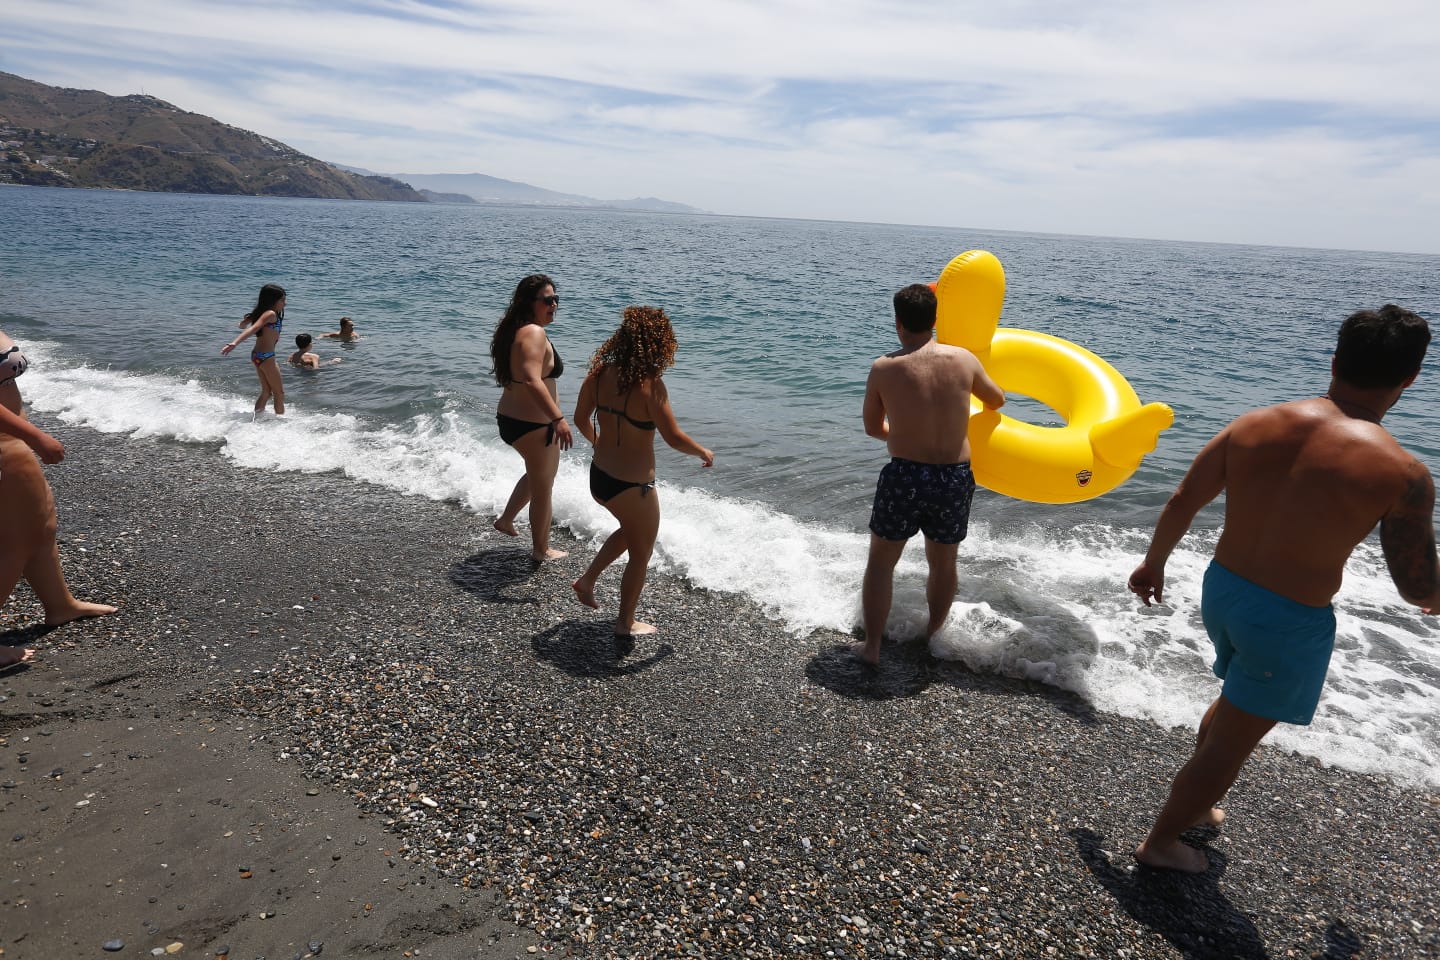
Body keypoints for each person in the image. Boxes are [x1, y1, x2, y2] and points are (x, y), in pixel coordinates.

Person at [1127, 303, 1440, 873]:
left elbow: (1182, 500)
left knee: (1232, 701)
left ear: (1336, 361)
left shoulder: (1253, 423)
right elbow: (1414, 582)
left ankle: (1196, 811)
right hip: (1289, 620)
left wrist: (1153, 565)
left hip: (1222, 591)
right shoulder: (1404, 473)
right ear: (1410, 379)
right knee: (1233, 744)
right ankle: (1161, 843)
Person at [857, 283, 1005, 667]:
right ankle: (932, 638)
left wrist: (903, 434)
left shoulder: (884, 367)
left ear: (898, 323)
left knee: (881, 562)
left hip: (904, 475)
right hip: (953, 477)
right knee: (943, 563)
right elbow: (996, 399)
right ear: (935, 320)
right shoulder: (964, 360)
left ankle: (872, 647)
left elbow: (874, 428)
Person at [571, 306, 713, 638]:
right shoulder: (652, 386)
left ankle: (587, 580)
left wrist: (598, 443)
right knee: (641, 552)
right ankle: (625, 623)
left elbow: (579, 418)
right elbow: (674, 438)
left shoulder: (598, 374)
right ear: (660, 344)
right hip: (634, 486)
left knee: (630, 530)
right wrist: (702, 451)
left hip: (600, 477)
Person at [0, 327, 118, 666]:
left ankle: (60, 605)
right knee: (15, 543)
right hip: (4, 446)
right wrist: (36, 437)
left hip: (11, 441)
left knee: (41, 528)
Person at [490, 274, 574, 562]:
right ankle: (541, 549)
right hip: (535, 426)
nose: (554, 305)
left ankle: (506, 519)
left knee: (540, 475)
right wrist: (558, 418)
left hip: (514, 420)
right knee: (543, 488)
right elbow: (530, 378)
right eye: (547, 300)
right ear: (529, 303)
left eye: (556, 299)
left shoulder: (516, 330)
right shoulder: (533, 333)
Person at [221, 283, 288, 417]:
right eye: (282, 300)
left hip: (258, 355)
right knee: (279, 393)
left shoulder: (262, 313)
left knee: (266, 392)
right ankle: (281, 424)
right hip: (266, 357)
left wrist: (246, 320)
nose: (285, 304)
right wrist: (235, 343)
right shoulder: (270, 314)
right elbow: (253, 328)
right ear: (272, 301)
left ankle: (256, 420)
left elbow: (242, 325)